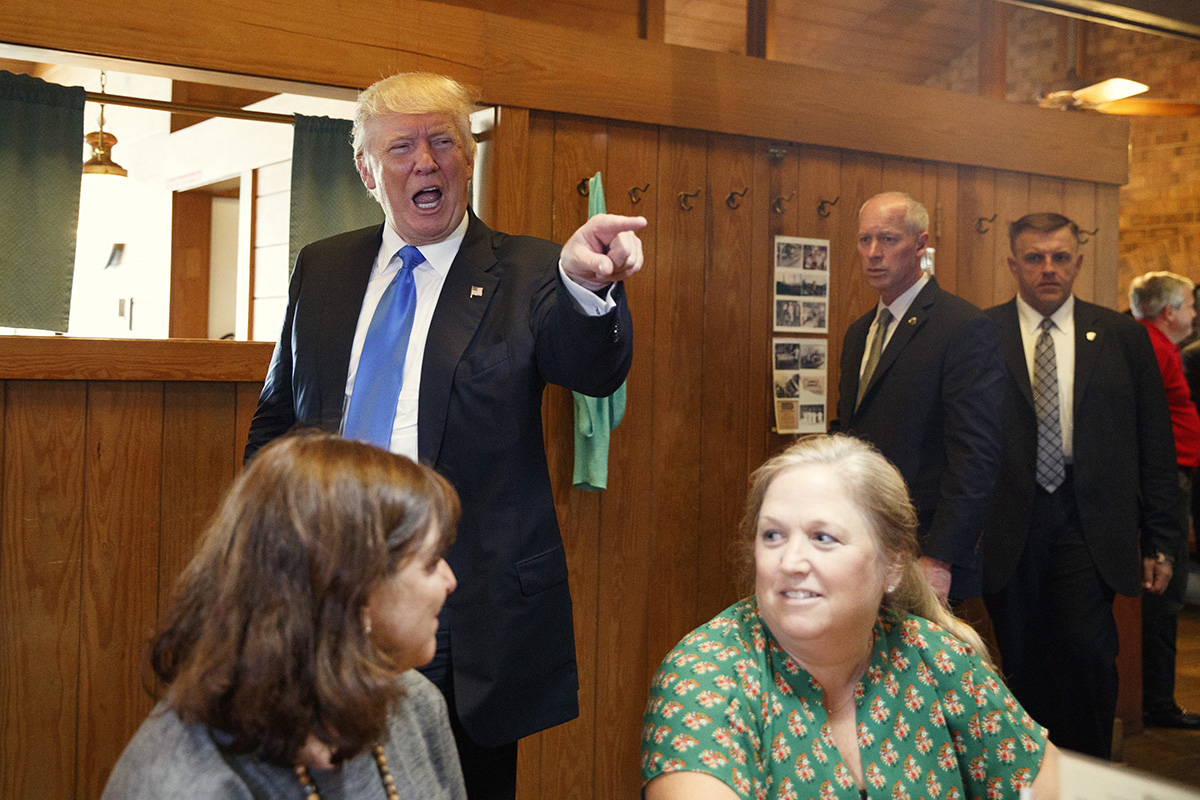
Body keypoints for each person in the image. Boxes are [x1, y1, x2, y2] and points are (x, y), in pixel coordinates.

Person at [244, 73, 646, 798]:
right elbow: (279, 422)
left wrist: (591, 291)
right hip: (325, 596)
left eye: (442, 142)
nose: (424, 162)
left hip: (459, 612)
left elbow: (594, 370)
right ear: (369, 171)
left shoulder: (530, 270)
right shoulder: (323, 266)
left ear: (468, 158)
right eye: (401, 147)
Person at [641, 434, 1059, 800]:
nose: (790, 561)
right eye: (773, 535)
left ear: (892, 566)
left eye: (823, 538)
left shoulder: (937, 659)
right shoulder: (706, 676)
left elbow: (1051, 784)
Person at [103, 432, 464, 799]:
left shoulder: (416, 707)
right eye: (432, 562)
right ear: (354, 590)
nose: (450, 581)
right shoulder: (181, 784)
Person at [982, 213, 1180, 759]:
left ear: (1079, 262)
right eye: (1035, 257)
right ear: (1012, 264)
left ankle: (1088, 775)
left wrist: (1161, 536)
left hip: (1088, 518)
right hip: (1009, 523)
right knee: (1021, 662)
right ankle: (1028, 777)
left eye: (1060, 257)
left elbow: (1154, 444)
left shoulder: (1121, 337)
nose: (1049, 268)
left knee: (1088, 657)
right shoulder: (981, 333)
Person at [830, 191, 1004, 603]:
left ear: (921, 243)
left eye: (888, 240)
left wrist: (941, 557)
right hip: (860, 535)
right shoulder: (860, 332)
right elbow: (848, 432)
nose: (873, 253)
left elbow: (974, 455)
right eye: (865, 240)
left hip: (921, 545)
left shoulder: (961, 326)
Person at [1129, 271, 1200, 729]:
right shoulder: (1152, 347)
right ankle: (1157, 702)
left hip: (1174, 474)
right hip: (1165, 480)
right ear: (1169, 312)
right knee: (1164, 593)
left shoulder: (1156, 345)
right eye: (1192, 304)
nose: (1196, 313)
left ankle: (1157, 698)